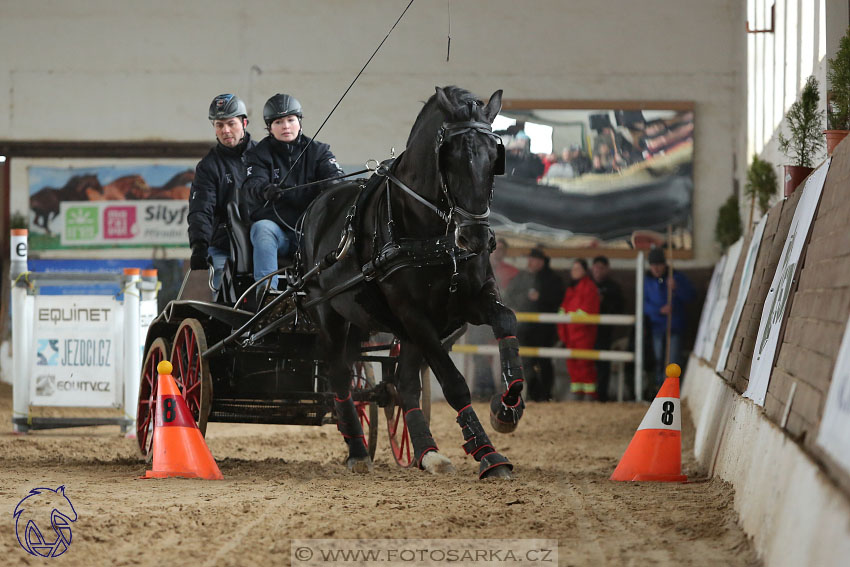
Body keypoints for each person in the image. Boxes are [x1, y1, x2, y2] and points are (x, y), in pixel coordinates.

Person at [242, 93, 343, 288]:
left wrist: (333, 184)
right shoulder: (258, 154)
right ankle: (267, 295)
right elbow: (252, 184)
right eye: (278, 122)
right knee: (262, 230)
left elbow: (335, 178)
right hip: (277, 231)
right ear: (270, 128)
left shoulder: (319, 151)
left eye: (290, 119)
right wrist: (265, 190)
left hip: (312, 230)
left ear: (299, 122)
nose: (286, 126)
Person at [187, 94, 256, 288]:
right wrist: (199, 245)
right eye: (219, 125)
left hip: (260, 240)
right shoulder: (208, 167)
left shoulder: (264, 156)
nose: (225, 130)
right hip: (224, 244)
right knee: (222, 281)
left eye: (231, 123)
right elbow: (201, 209)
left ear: (244, 122)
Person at [503, 247, 564, 401]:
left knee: (544, 362)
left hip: (544, 329)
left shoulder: (553, 279)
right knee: (527, 361)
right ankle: (533, 393)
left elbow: (558, 300)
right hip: (524, 327)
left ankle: (545, 395)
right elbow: (509, 295)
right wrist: (515, 306)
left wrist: (541, 298)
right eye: (530, 259)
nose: (530, 262)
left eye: (534, 259)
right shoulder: (521, 276)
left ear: (542, 262)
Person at [644, 247, 695, 390]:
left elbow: (691, 296)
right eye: (653, 265)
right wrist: (659, 311)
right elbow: (644, 305)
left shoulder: (676, 277)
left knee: (672, 362)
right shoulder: (647, 281)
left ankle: (671, 390)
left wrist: (676, 288)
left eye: (659, 264)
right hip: (657, 328)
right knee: (659, 360)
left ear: (664, 264)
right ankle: (660, 389)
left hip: (674, 327)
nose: (656, 268)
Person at [557, 259, 600, 400]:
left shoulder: (589, 287)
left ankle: (589, 397)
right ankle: (577, 396)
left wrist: (569, 316)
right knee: (573, 366)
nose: (574, 272)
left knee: (585, 366)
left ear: (584, 271)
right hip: (570, 335)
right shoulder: (571, 289)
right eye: (573, 269)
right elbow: (563, 309)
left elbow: (588, 310)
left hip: (583, 335)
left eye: (577, 269)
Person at [591, 255, 624, 401]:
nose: (598, 270)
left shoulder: (613, 288)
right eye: (596, 267)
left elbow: (620, 308)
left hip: (604, 332)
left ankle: (601, 396)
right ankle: (588, 395)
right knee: (586, 363)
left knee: (603, 364)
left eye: (601, 268)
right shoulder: (585, 285)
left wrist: (604, 302)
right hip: (585, 332)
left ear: (607, 269)